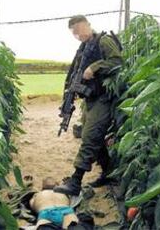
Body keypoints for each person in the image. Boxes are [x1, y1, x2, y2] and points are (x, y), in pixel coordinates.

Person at [54, 15, 122, 196]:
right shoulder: (83, 48)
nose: (77, 35)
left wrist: (95, 68)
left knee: (90, 136)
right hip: (90, 99)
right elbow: (75, 73)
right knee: (88, 133)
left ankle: (75, 181)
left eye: (78, 30)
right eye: (74, 33)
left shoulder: (104, 41)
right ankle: (109, 172)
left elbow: (118, 61)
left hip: (105, 97)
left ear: (87, 25)